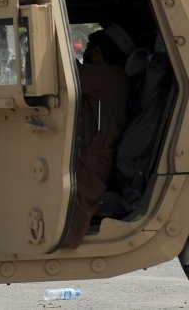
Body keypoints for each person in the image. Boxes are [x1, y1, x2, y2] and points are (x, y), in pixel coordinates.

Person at [64, 24, 133, 249]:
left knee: (77, 202)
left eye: (91, 48)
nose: (86, 52)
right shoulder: (115, 76)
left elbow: (68, 78)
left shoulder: (105, 75)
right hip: (96, 147)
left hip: (95, 152)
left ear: (100, 52)